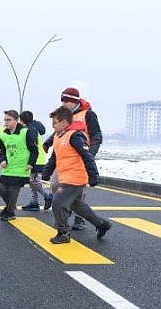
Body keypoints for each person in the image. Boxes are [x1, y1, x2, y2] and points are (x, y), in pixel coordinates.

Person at [42, 106, 111, 244]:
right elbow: (54, 158)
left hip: (75, 178)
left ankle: (63, 232)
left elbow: (87, 156)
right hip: (65, 176)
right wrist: (47, 172)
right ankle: (102, 224)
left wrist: (93, 176)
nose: (53, 126)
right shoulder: (57, 137)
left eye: (55, 123)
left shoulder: (75, 136)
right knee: (77, 206)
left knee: (58, 202)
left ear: (64, 123)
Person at [43, 87, 103, 230]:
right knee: (55, 185)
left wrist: (90, 155)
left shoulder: (88, 114)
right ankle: (70, 210)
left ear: (74, 101)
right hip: (65, 157)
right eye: (62, 101)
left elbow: (97, 136)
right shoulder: (64, 115)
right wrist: (48, 142)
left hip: (81, 157)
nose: (63, 104)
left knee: (78, 193)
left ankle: (78, 219)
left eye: (66, 101)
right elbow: (58, 132)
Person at [0, 110, 38, 221]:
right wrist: (2, 160)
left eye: (9, 120)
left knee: (13, 191)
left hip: (21, 169)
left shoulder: (25, 132)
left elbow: (34, 150)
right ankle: (11, 208)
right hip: (8, 168)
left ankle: (10, 213)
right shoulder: (3, 134)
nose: (6, 122)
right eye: (5, 120)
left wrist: (30, 164)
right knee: (1, 189)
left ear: (16, 120)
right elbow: (1, 151)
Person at [19, 110, 54, 212]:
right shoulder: (33, 128)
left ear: (22, 121)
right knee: (32, 181)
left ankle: (47, 195)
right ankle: (34, 202)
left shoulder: (30, 130)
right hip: (36, 158)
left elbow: (31, 146)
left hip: (36, 159)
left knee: (32, 180)